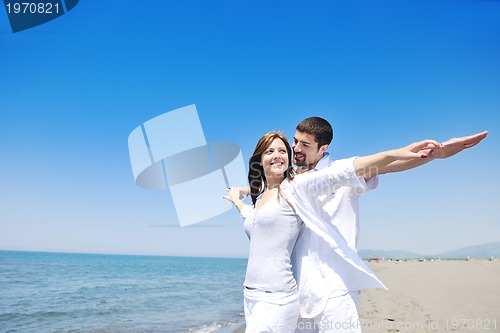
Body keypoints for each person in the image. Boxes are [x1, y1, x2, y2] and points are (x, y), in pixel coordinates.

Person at [224, 131, 445, 333]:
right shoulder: (261, 198)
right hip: (251, 296)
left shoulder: (296, 187)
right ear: (259, 160)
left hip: (278, 298)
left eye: (283, 151)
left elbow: (345, 170)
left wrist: (400, 152)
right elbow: (249, 216)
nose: (278, 155)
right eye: (270, 151)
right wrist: (236, 199)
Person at [290, 117, 488, 333]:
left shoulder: (343, 171)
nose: (296, 148)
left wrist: (435, 155)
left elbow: (387, 165)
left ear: (323, 147)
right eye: (295, 141)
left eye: (305, 144)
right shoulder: (291, 180)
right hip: (299, 290)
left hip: (336, 288)